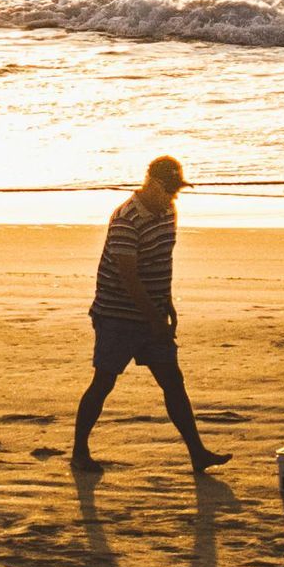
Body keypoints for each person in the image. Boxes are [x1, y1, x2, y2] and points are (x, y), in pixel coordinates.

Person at [73, 154, 230, 476]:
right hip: (117, 314)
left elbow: (161, 261)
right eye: (169, 189)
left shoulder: (168, 210)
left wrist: (166, 301)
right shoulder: (126, 218)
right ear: (152, 183)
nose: (174, 196)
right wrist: (155, 321)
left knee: (173, 381)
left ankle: (197, 452)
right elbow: (128, 277)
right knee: (103, 382)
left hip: (152, 310)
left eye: (177, 190)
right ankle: (79, 452)